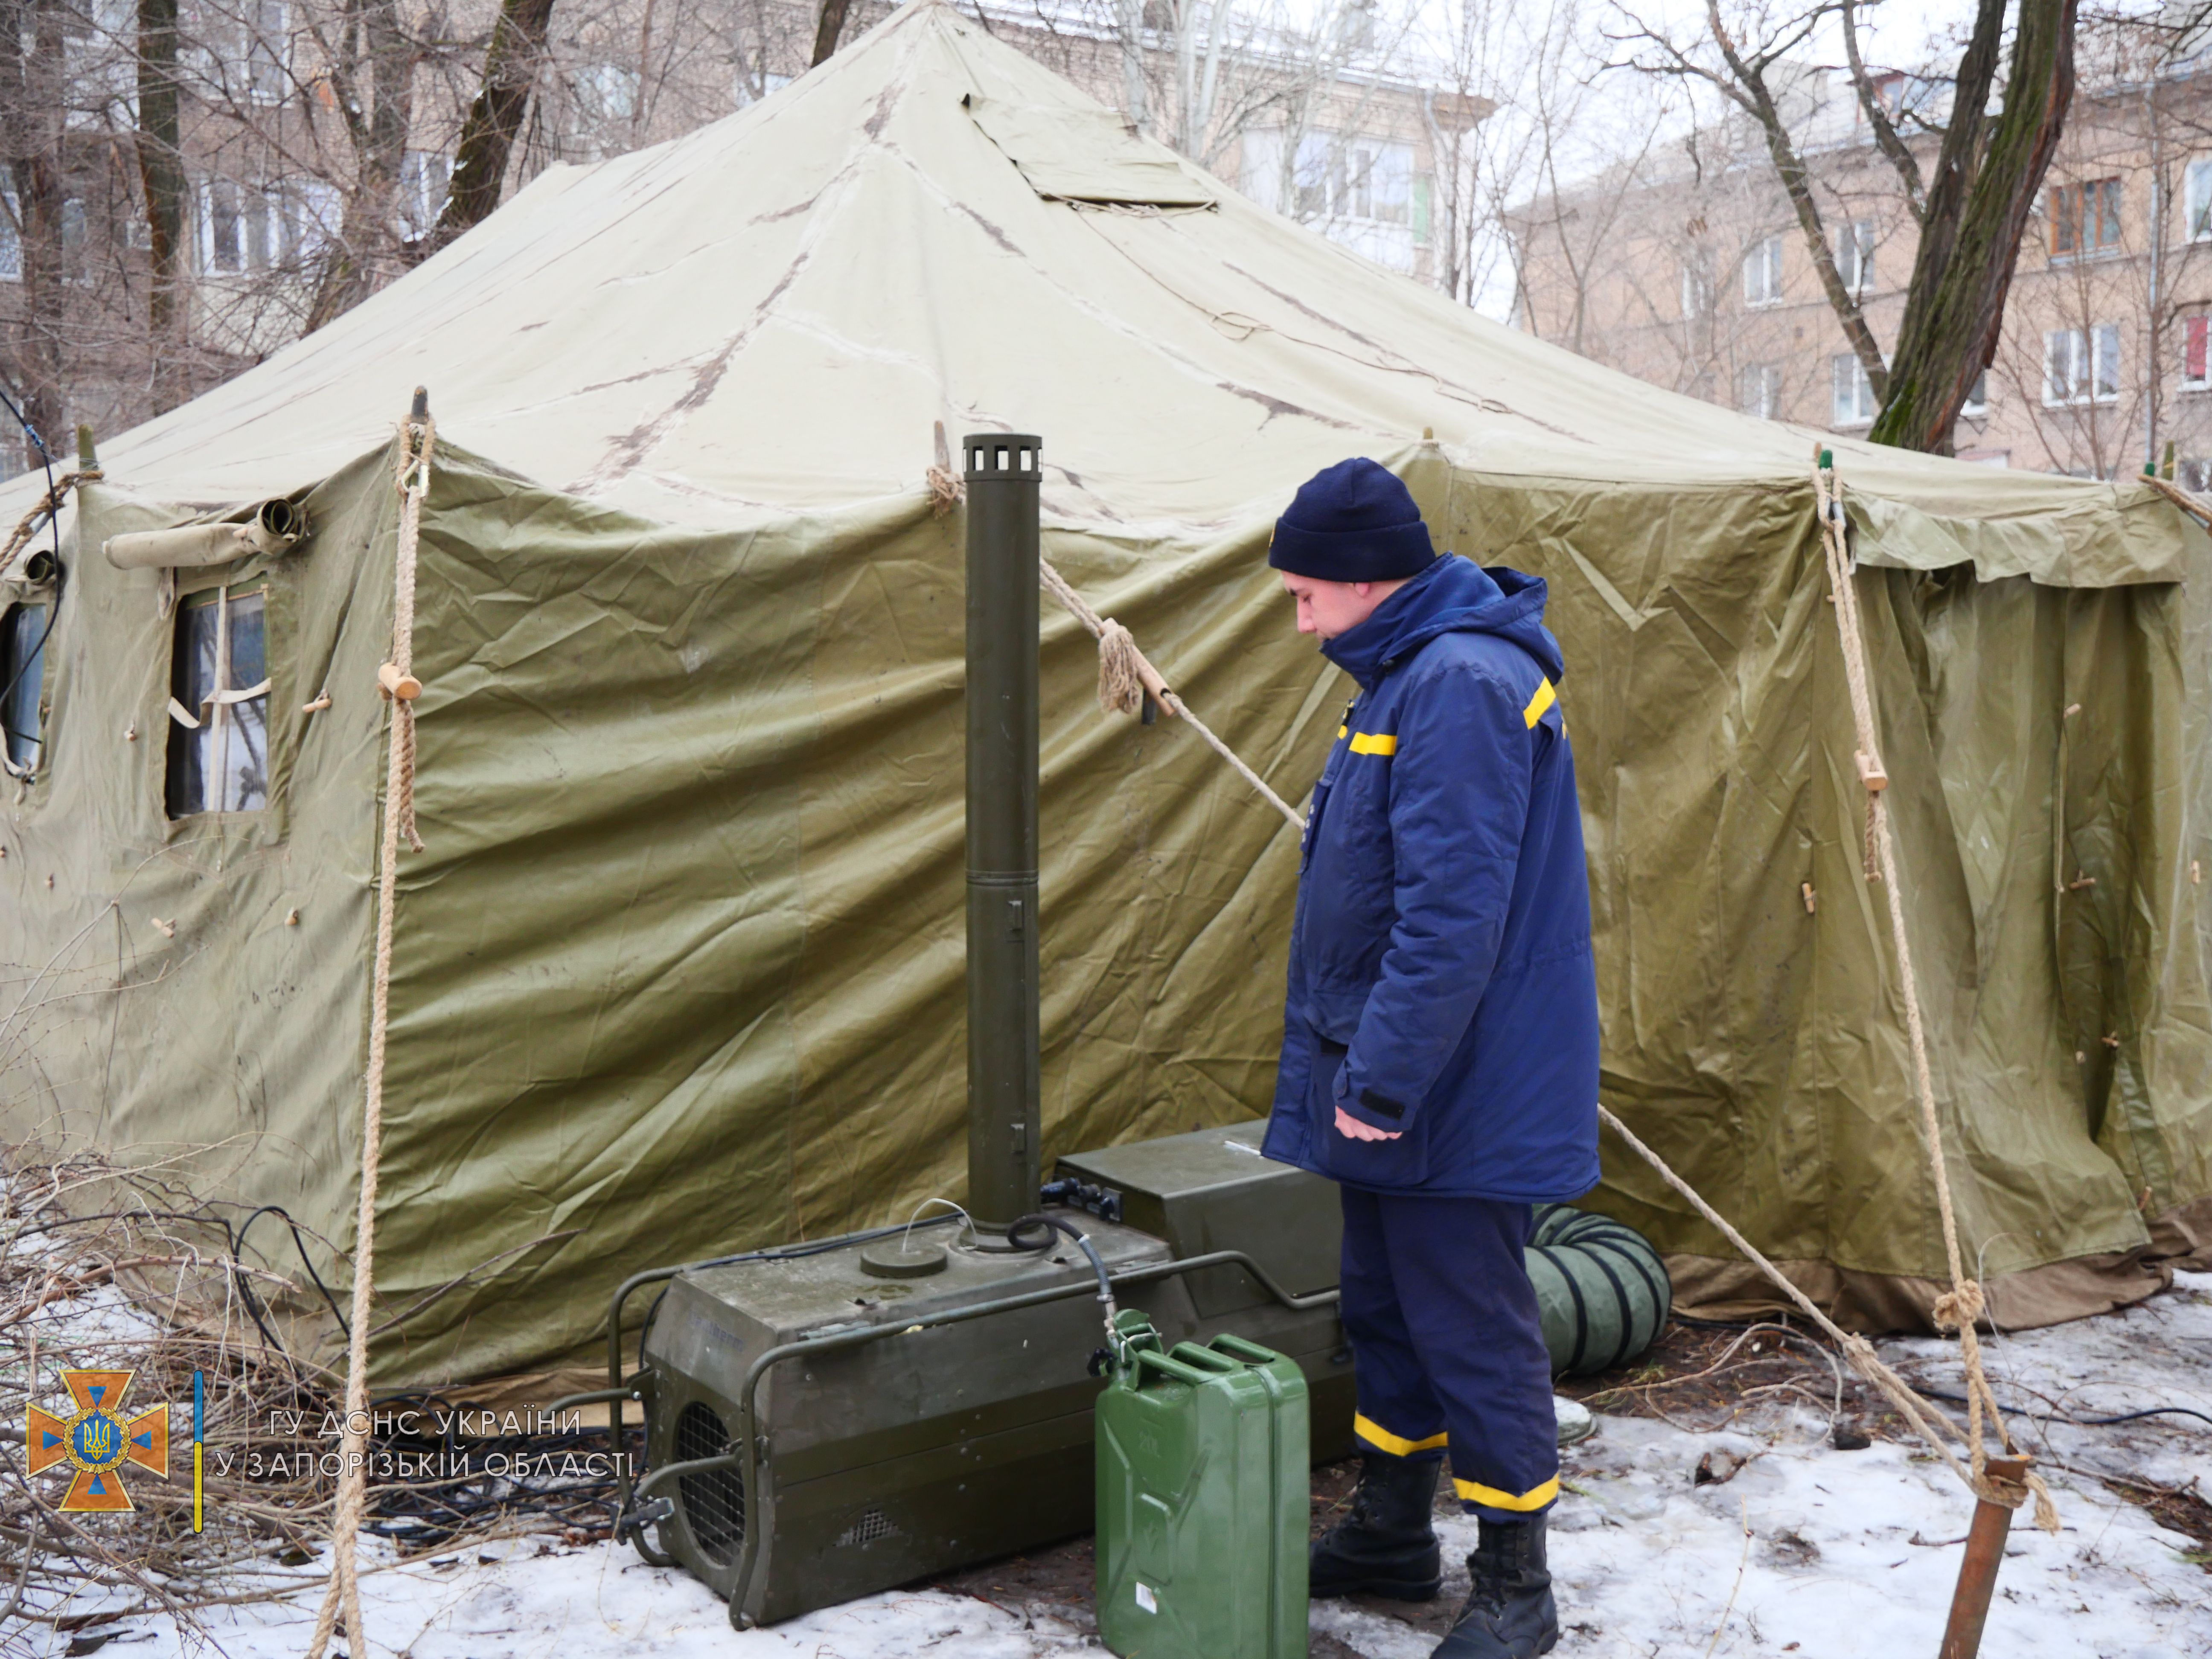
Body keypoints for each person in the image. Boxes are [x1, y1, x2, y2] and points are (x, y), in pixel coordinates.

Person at [1260, 457, 1601, 1659]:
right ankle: (1394, 1532)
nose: (1297, 616)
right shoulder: (1409, 672)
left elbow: (1451, 916)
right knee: (1388, 1307)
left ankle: (1517, 1585)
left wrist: (1387, 1081)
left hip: (1452, 1086)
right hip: (1398, 1078)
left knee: (1468, 1321)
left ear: (1363, 580)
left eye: (1306, 593)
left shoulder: (1455, 681)